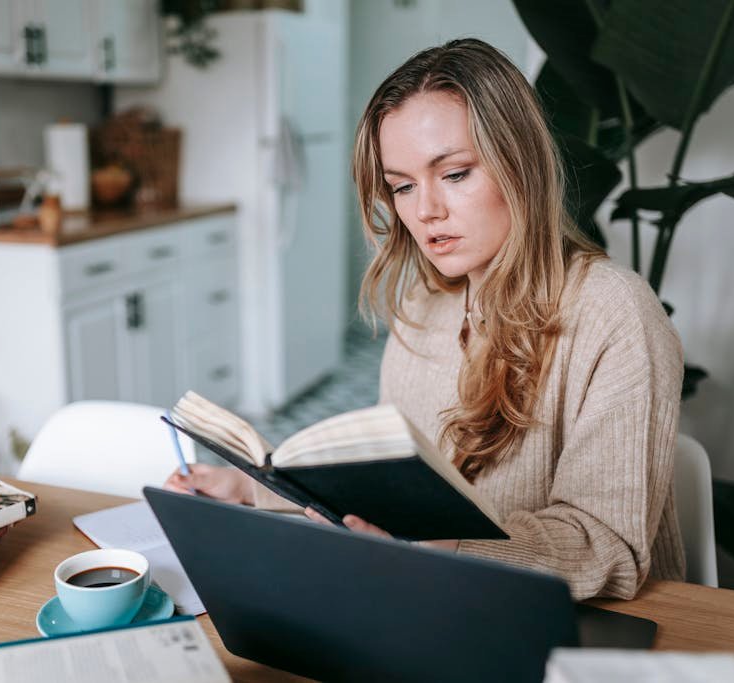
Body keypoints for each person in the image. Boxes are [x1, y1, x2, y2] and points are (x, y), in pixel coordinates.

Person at [165, 38, 685, 600]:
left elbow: (608, 549)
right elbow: (390, 482)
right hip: (438, 594)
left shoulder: (616, 313)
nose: (425, 210)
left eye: (455, 173)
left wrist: (443, 546)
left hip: (579, 626)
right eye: (403, 186)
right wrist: (252, 489)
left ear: (522, 164)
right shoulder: (424, 303)